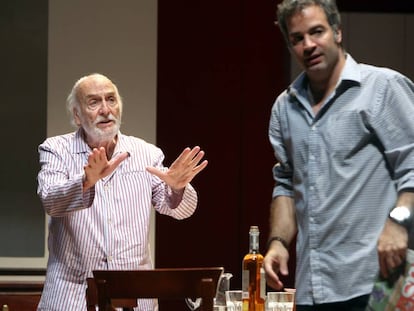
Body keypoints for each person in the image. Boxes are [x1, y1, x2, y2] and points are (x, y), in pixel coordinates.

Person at [263, 0, 414, 310]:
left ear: (338, 31)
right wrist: (277, 242)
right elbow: (287, 185)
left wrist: (398, 222)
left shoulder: (383, 88)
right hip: (312, 289)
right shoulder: (284, 108)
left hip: (377, 282)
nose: (308, 45)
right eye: (297, 38)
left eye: (317, 32)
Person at [36, 73, 208, 311]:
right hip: (72, 298)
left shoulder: (146, 153)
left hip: (136, 298)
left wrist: (177, 187)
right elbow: (50, 200)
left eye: (111, 99)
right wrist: (86, 180)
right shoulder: (56, 150)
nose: (106, 110)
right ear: (77, 115)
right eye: (94, 102)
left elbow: (179, 210)